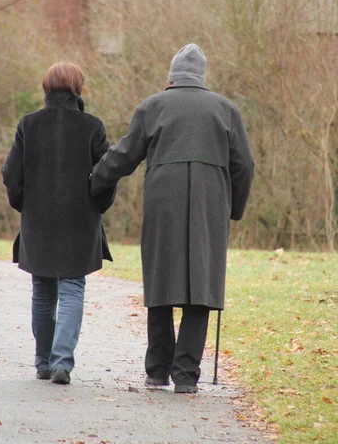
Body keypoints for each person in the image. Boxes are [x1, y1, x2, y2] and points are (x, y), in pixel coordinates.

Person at [91, 43, 254, 394]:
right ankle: (185, 376)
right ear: (202, 76)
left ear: (172, 76)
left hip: (163, 201)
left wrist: (94, 182)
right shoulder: (226, 110)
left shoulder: (152, 106)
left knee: (161, 280)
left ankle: (157, 370)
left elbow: (122, 156)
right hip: (211, 204)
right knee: (202, 286)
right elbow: (244, 166)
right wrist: (233, 210)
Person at [1, 61, 115, 385]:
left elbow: (11, 175)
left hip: (37, 221)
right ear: (78, 88)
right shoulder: (93, 126)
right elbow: (107, 174)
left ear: (45, 88)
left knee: (42, 290)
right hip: (80, 223)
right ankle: (62, 361)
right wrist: (97, 205)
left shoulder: (28, 125)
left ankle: (42, 362)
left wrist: (24, 206)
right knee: (72, 287)